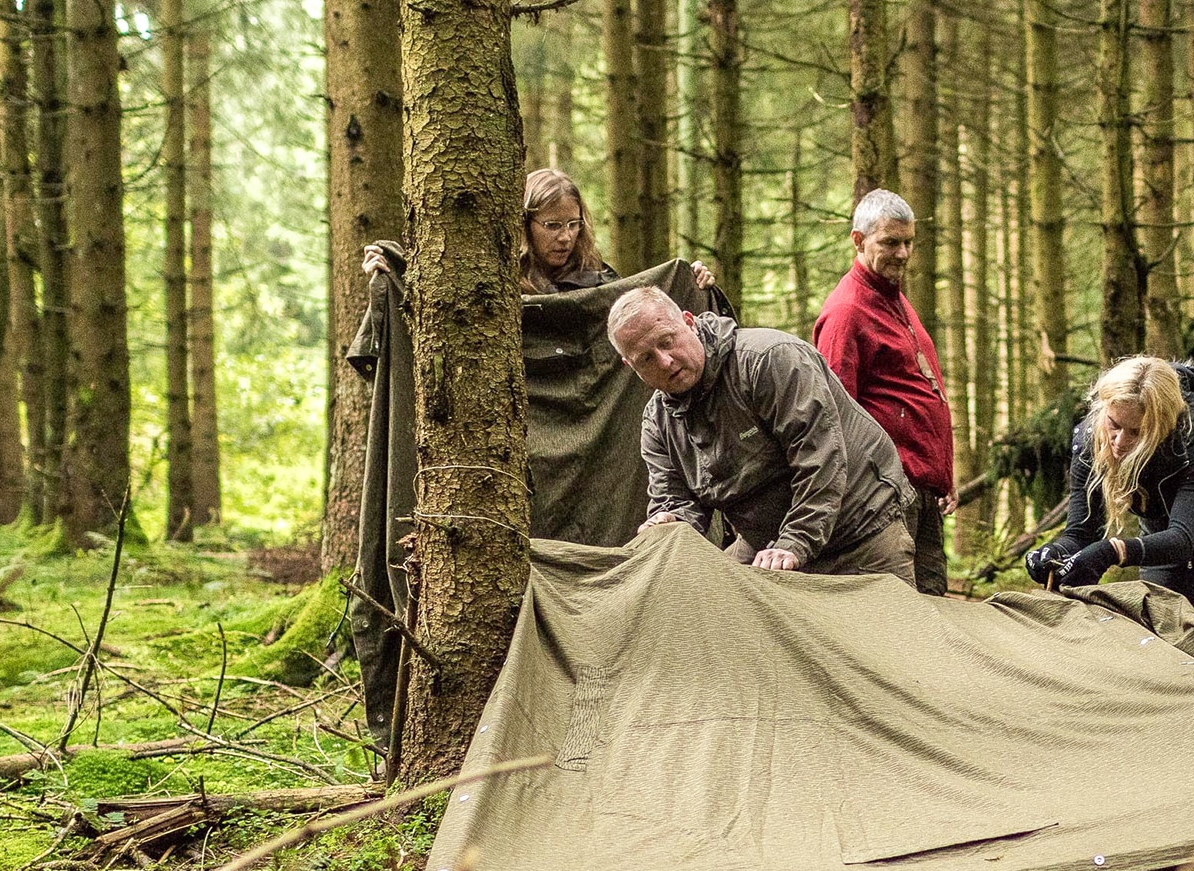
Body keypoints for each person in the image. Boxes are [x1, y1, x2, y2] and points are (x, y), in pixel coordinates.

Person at [608, 286, 919, 585]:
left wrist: (795, 542)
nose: (665, 361)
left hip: (860, 528)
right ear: (630, 366)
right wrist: (670, 520)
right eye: (646, 358)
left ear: (689, 322)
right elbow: (675, 501)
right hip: (767, 541)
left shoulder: (769, 360)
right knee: (715, 606)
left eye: (667, 341)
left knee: (883, 621)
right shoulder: (658, 423)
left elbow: (820, 458)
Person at [1024, 356, 1194, 619]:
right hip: (1162, 537)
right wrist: (1056, 552)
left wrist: (1112, 551)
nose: (1119, 441)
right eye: (1114, 425)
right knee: (1163, 633)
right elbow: (1081, 532)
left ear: (1162, 425)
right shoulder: (1090, 440)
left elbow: (1182, 538)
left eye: (1136, 432)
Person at [812, 189, 956, 596]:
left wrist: (944, 475)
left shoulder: (895, 299)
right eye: (890, 242)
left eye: (908, 242)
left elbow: (921, 392)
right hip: (886, 494)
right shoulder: (847, 311)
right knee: (899, 606)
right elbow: (835, 417)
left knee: (933, 604)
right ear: (858, 240)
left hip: (920, 492)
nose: (903, 253)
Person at [361, 168, 715, 293]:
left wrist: (692, 285)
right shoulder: (495, 280)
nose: (565, 237)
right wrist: (392, 276)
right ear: (525, 225)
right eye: (552, 225)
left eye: (573, 224)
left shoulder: (599, 281)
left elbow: (647, 319)